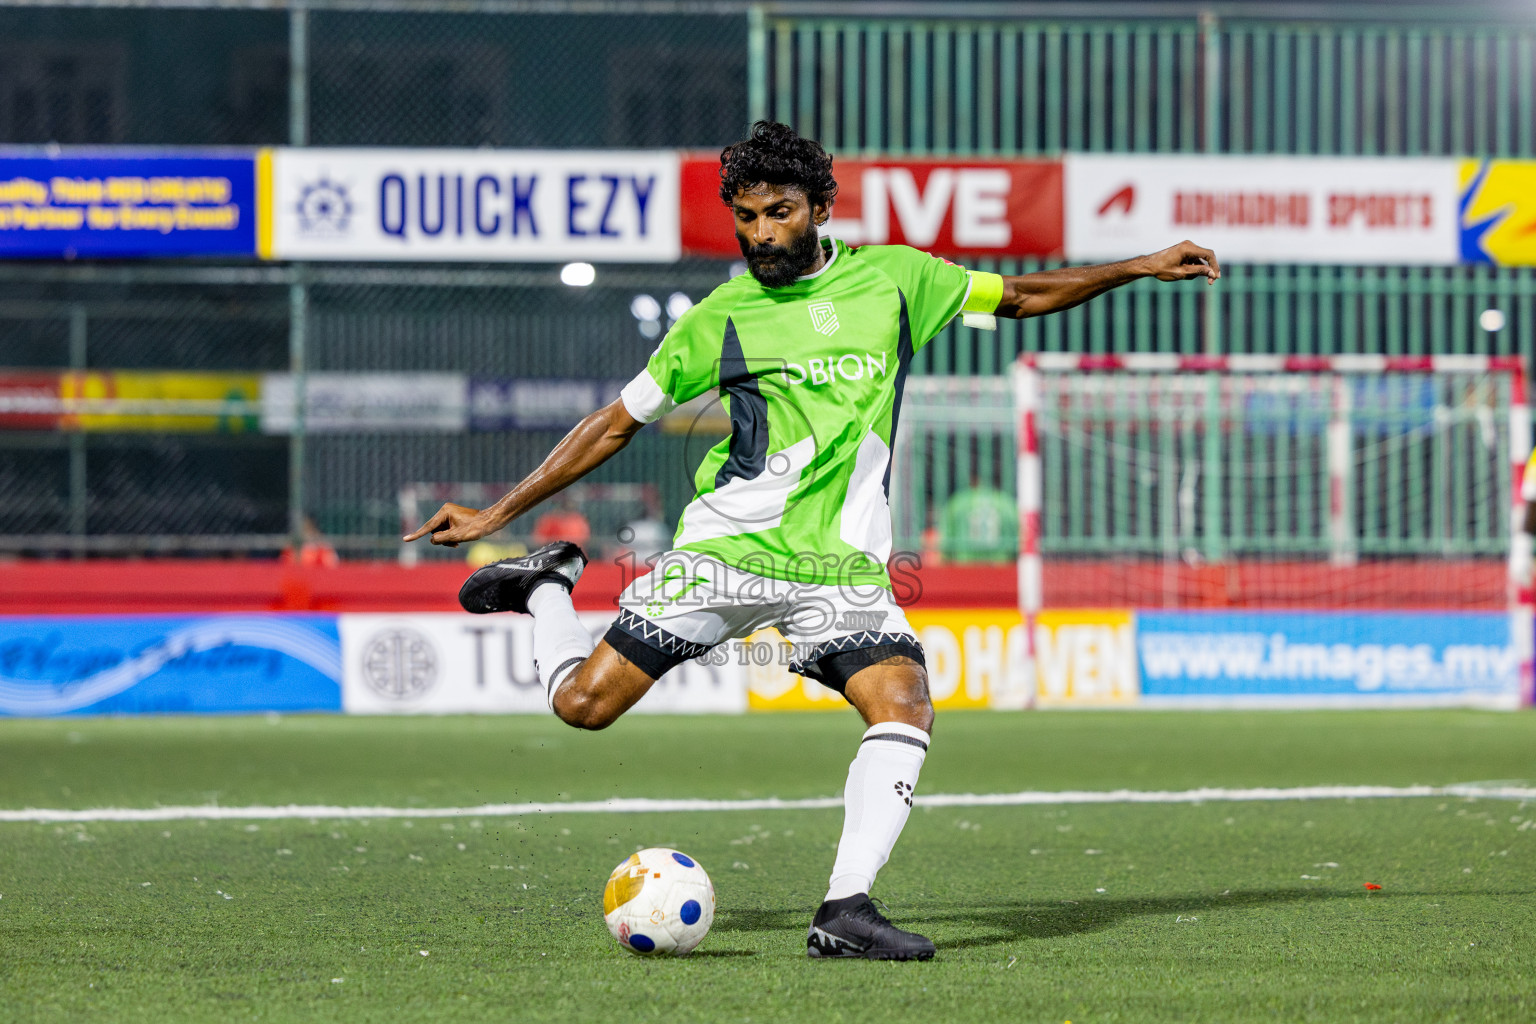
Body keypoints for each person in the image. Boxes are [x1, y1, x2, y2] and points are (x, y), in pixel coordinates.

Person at [404, 121, 1219, 960]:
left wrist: (1137, 266)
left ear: (821, 208)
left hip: (842, 569)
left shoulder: (897, 280)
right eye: (747, 216)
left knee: (903, 702)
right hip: (727, 554)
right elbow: (614, 424)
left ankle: (845, 909)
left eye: (780, 212)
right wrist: (497, 515)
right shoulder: (719, 317)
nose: (761, 232)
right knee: (583, 708)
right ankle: (545, 585)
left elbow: (1019, 297)